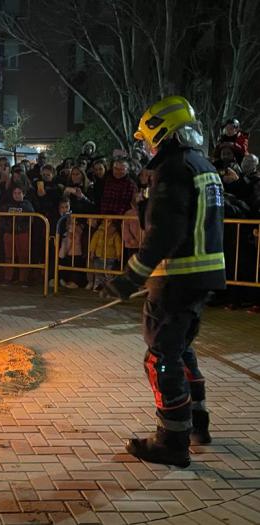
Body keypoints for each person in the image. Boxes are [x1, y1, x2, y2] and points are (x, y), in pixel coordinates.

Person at [103, 95, 226, 468]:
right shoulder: (203, 166)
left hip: (177, 277)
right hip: (202, 276)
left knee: (160, 358)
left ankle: (172, 442)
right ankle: (196, 424)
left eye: (145, 137)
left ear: (161, 130)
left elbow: (165, 231)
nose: (143, 144)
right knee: (181, 350)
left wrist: (131, 277)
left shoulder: (173, 169)